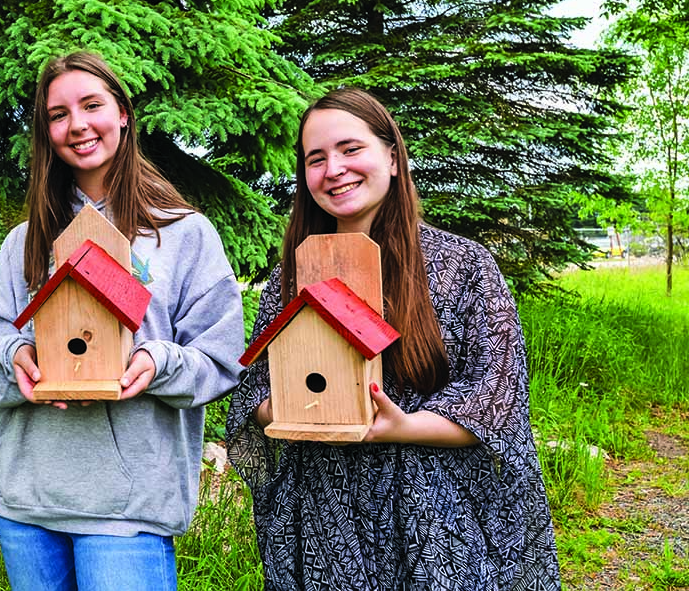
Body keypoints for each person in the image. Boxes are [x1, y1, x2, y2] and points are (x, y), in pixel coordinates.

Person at [226, 87, 560, 590]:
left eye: (350, 149)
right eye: (316, 159)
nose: (334, 169)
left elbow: (497, 397)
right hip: (323, 512)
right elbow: (254, 390)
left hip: (434, 512)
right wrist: (294, 408)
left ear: (393, 157)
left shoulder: (463, 265)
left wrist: (403, 426)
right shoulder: (292, 277)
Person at [0, 51, 244, 591]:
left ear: (123, 113)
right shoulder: (27, 242)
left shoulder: (183, 234)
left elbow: (221, 360)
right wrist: (16, 358)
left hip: (128, 510)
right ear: (46, 132)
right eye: (58, 114)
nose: (77, 125)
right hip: (27, 503)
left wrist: (155, 363)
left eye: (91, 105)